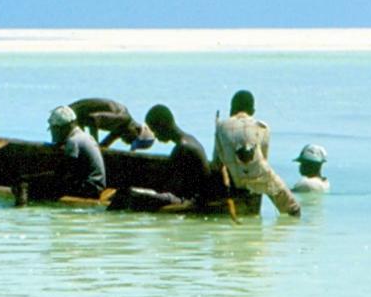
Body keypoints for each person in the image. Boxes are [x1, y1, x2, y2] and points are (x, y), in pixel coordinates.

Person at [213, 89, 301, 217]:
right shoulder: (262, 127)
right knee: (294, 209)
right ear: (252, 111)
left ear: (232, 109)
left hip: (234, 182)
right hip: (259, 178)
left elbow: (217, 162)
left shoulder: (221, 126)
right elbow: (263, 159)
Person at [108, 104, 212, 211]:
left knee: (127, 195)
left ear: (162, 125)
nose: (156, 136)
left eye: (154, 131)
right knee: (128, 192)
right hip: (184, 196)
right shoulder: (187, 140)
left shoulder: (183, 147)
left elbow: (171, 186)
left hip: (186, 200)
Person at [15, 105, 107, 204]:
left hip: (89, 188)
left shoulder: (73, 141)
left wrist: (30, 179)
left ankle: (22, 208)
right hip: (97, 186)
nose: (52, 133)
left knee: (25, 183)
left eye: (53, 129)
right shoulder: (84, 136)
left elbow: (64, 174)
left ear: (61, 129)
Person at [68, 98, 155, 150]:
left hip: (76, 120)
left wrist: (97, 148)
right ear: (136, 130)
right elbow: (92, 119)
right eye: (131, 140)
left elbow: (103, 146)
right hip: (69, 115)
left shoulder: (120, 129)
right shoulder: (123, 118)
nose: (127, 143)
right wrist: (94, 145)